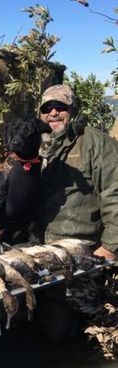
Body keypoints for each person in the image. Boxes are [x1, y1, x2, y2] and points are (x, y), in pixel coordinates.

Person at [38, 84, 118, 261]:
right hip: (38, 248)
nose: (53, 113)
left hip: (80, 248)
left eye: (60, 107)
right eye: (47, 108)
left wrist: (109, 248)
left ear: (73, 110)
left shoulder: (96, 143)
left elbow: (114, 194)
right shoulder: (33, 143)